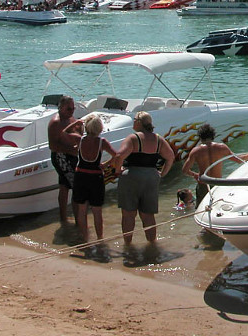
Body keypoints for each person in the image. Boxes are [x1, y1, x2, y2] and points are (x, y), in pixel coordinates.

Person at [113, 112, 175, 244]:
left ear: (139, 123)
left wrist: (118, 171)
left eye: (134, 120)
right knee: (148, 215)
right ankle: (152, 245)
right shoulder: (159, 139)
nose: (133, 122)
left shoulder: (133, 138)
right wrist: (161, 174)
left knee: (128, 214)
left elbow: (119, 156)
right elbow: (170, 157)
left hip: (131, 177)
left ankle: (128, 245)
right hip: (151, 177)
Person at [182, 123, 248, 207]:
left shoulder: (196, 151)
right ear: (213, 135)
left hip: (204, 183)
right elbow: (239, 160)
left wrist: (195, 175)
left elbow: (185, 170)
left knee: (201, 209)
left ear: (200, 137)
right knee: (218, 207)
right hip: (217, 183)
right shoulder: (221, 147)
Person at [68, 114, 117, 245]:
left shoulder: (80, 140)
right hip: (95, 177)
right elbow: (116, 155)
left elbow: (64, 133)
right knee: (97, 211)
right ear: (99, 127)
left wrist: (75, 123)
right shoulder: (102, 142)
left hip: (81, 176)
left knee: (82, 210)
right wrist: (105, 164)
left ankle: (85, 238)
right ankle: (100, 238)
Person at [47, 95, 82, 224]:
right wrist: (71, 150)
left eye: (73, 108)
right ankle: (78, 220)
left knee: (64, 186)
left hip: (71, 156)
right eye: (68, 109)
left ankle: (64, 218)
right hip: (61, 157)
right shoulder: (56, 122)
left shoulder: (70, 118)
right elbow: (52, 146)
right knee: (75, 187)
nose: (71, 111)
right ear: (60, 108)